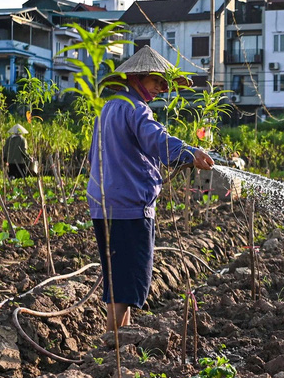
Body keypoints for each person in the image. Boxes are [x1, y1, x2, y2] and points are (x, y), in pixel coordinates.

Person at [88, 46, 215, 332]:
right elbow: (157, 139)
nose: (161, 87)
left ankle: (120, 338)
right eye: (156, 80)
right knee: (130, 278)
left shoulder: (108, 108)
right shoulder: (136, 109)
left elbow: (94, 155)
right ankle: (116, 343)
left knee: (117, 278)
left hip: (103, 202)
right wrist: (188, 153)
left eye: (164, 83)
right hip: (130, 205)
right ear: (137, 77)